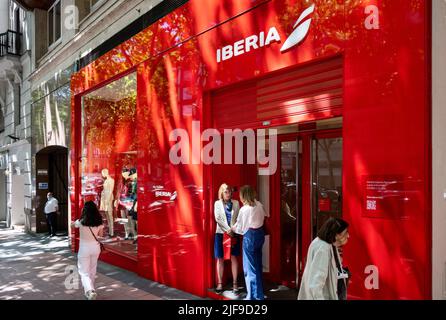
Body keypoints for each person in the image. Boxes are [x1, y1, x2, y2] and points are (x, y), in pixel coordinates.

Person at [297, 217, 350, 300]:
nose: (348, 236)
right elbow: (315, 284)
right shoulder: (323, 249)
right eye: (346, 232)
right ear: (336, 235)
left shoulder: (327, 244)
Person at [232, 185, 268, 300]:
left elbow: (241, 228)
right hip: (260, 235)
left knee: (249, 268)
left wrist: (232, 228)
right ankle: (259, 294)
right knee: (257, 266)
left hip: (250, 236)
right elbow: (265, 217)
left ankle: (253, 297)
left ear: (244, 196)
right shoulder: (259, 205)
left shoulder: (244, 209)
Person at [71, 201, 104, 300]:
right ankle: (90, 291)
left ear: (84, 210)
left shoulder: (81, 222)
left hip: (84, 249)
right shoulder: (100, 222)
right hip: (95, 248)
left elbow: (72, 226)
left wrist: (73, 223)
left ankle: (90, 291)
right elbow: (100, 235)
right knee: (92, 269)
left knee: (83, 271)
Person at [213, 183, 241, 294]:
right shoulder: (217, 203)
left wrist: (232, 230)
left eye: (229, 191)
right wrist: (227, 229)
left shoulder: (236, 203)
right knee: (220, 258)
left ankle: (235, 284)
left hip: (233, 233)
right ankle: (220, 283)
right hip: (221, 234)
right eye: (226, 192)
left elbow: (239, 217)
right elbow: (218, 218)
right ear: (221, 193)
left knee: (234, 257)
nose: (228, 194)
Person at [100, 168, 115, 237]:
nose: (102, 175)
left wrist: (107, 200)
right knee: (107, 216)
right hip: (105, 199)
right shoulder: (106, 181)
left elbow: (111, 191)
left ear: (105, 173)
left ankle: (112, 232)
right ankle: (110, 232)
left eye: (102, 173)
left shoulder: (111, 180)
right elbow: (104, 190)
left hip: (108, 200)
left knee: (110, 215)